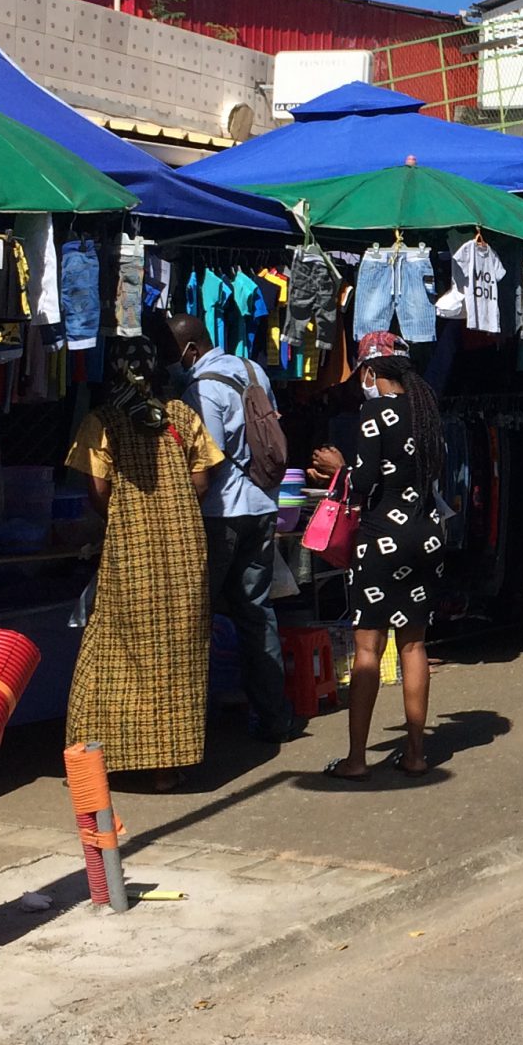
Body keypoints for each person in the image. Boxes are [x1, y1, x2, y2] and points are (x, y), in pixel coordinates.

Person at [66, 335, 220, 791]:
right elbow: (202, 481)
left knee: (116, 647)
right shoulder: (182, 415)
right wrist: (171, 509)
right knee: (177, 653)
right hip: (185, 549)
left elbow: (98, 494)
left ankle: (104, 757)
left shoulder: (103, 421)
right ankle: (165, 767)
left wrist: (135, 511)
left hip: (131, 546)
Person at [307, 339, 448, 777]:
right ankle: (416, 753)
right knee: (415, 643)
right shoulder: (427, 412)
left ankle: (355, 759)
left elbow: (365, 482)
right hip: (427, 535)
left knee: (368, 646)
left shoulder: (375, 414)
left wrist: (338, 469)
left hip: (383, 536)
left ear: (371, 370)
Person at [170, 314, 297, 748]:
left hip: (220, 513)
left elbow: (208, 457)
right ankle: (275, 716)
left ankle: (193, 723)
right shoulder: (251, 369)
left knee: (195, 618)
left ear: (188, 350)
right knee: (256, 611)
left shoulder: (200, 389)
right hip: (262, 504)